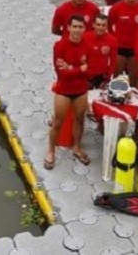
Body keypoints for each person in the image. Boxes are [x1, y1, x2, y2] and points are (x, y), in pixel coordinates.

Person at [45, 15, 91, 169]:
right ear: (69, 28)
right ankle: (51, 151)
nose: (77, 30)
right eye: (75, 27)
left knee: (79, 120)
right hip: (64, 90)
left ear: (84, 29)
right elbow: (61, 73)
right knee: (58, 122)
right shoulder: (59, 46)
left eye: (80, 27)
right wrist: (78, 69)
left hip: (81, 90)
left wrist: (71, 68)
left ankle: (76, 147)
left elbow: (89, 71)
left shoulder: (87, 45)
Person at [83, 14, 118, 89]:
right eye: (98, 25)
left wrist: (107, 78)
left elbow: (113, 61)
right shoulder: (84, 37)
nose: (100, 27)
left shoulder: (112, 40)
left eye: (103, 25)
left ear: (107, 26)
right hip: (86, 76)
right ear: (93, 25)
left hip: (102, 77)